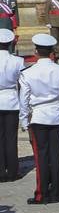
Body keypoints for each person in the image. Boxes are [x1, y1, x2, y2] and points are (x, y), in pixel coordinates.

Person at [20, 33, 59, 204]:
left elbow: (24, 100)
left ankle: (42, 193)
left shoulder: (28, 73)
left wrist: (24, 121)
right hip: (57, 114)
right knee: (56, 155)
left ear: (35, 52)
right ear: (51, 52)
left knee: (41, 156)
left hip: (39, 116)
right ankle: (57, 192)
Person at [0, 29, 22, 182]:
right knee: (11, 137)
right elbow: (23, 83)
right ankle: (12, 170)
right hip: (11, 100)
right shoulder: (17, 61)